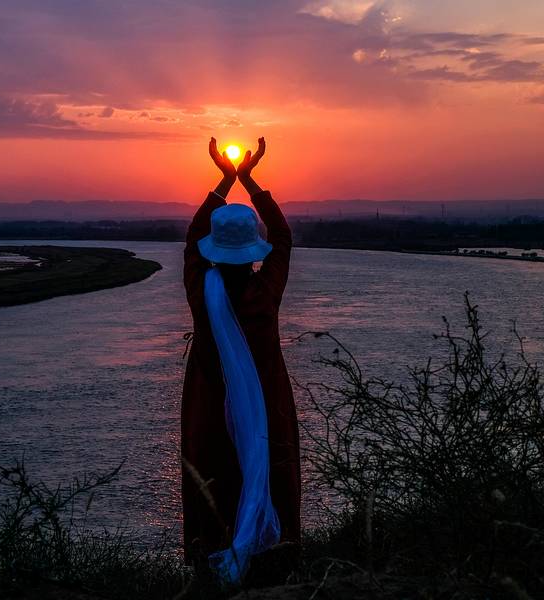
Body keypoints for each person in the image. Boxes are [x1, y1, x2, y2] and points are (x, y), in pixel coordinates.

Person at [181, 137, 301, 583]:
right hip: (267, 405)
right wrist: (249, 180)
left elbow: (191, 242)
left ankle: (208, 565)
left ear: (214, 249)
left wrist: (224, 179)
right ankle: (277, 559)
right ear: (253, 250)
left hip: (208, 408)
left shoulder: (202, 292)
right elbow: (283, 237)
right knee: (273, 469)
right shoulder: (265, 294)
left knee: (211, 478)